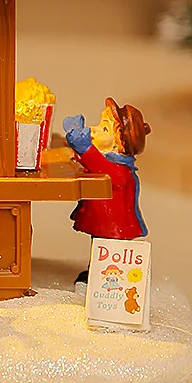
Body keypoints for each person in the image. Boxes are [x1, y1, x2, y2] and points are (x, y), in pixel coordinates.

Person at [63, 98, 150, 285]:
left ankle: (104, 280)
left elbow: (97, 164)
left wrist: (84, 147)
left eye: (104, 129)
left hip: (112, 226)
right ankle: (96, 271)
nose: (94, 130)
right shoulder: (111, 162)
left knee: (108, 249)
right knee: (99, 246)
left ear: (119, 144)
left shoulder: (118, 170)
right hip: (103, 221)